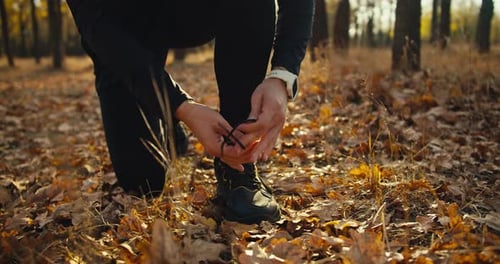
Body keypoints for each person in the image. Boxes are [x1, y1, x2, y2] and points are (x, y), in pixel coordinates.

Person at [67, 0, 314, 224]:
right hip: (123, 34)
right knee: (143, 183)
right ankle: (165, 117)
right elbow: (96, 25)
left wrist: (282, 76)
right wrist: (179, 106)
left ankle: (236, 167)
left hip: (193, 11)